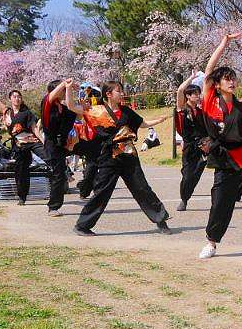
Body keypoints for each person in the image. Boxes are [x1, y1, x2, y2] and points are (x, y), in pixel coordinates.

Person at [66, 80, 171, 236]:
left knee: (142, 188)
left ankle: (160, 219)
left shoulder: (126, 112)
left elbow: (143, 123)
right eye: (119, 91)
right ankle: (83, 225)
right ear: (108, 94)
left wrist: (159, 120)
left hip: (129, 155)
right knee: (102, 191)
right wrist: (68, 89)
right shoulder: (95, 110)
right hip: (108, 157)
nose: (122, 94)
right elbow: (72, 107)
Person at [198, 32, 242, 259]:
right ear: (217, 85)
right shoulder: (210, 101)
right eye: (226, 78)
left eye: (233, 78)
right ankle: (211, 242)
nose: (231, 81)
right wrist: (224, 43)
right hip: (224, 160)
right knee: (221, 202)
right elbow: (209, 69)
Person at [0, 73, 46, 205]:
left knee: (48, 155)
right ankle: (22, 197)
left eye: (19, 96)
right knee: (21, 171)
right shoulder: (6, 112)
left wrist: (43, 141)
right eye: (14, 96)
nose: (17, 98)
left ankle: (64, 173)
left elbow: (34, 128)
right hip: (18, 145)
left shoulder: (26, 113)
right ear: (10, 99)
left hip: (32, 141)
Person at [41, 80, 78, 216]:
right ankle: (53, 207)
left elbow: (74, 107)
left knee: (61, 174)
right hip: (52, 144)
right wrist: (64, 83)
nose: (64, 92)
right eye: (62, 90)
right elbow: (50, 97)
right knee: (58, 175)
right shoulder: (47, 105)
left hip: (64, 143)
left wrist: (70, 89)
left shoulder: (64, 109)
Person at [175, 71, 207, 211]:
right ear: (188, 96)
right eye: (194, 94)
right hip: (189, 146)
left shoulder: (201, 112)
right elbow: (180, 90)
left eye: (198, 93)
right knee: (187, 175)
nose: (197, 96)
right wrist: (192, 78)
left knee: (196, 174)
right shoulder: (182, 109)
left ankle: (186, 197)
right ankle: (184, 199)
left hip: (202, 146)